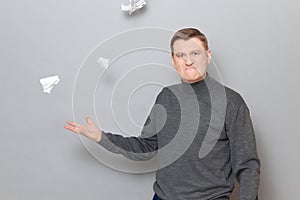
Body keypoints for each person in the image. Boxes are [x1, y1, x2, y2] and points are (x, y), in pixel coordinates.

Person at [64, 28, 260, 200]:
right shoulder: (166, 97)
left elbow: (247, 165)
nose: (189, 61)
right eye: (181, 55)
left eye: (195, 53)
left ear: (207, 56)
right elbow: (146, 147)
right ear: (173, 60)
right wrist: (101, 137)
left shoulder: (231, 102)